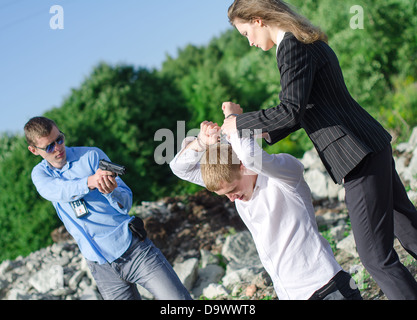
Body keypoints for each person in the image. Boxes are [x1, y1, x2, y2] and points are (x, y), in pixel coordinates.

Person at [220, 0, 417, 300]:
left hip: (355, 156)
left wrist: (239, 123)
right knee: (409, 230)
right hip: (368, 144)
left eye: (246, 32)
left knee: (376, 258)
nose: (249, 41)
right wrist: (246, 131)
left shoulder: (290, 47)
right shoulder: (304, 38)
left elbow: (290, 111)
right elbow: (304, 111)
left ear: (258, 19)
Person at [170, 116, 362, 300]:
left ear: (244, 167)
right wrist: (202, 143)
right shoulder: (234, 185)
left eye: (233, 190)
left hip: (327, 288)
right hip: (291, 295)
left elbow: (249, 155)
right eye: (225, 195)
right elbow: (179, 168)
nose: (231, 199)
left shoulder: (284, 178)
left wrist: (233, 119)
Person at [24, 116, 191, 300]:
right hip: (100, 267)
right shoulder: (40, 174)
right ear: (34, 150)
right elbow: (57, 191)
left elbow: (126, 203)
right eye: (49, 146)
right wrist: (91, 182)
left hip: (135, 250)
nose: (57, 148)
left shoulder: (92, 156)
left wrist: (111, 192)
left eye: (59, 139)